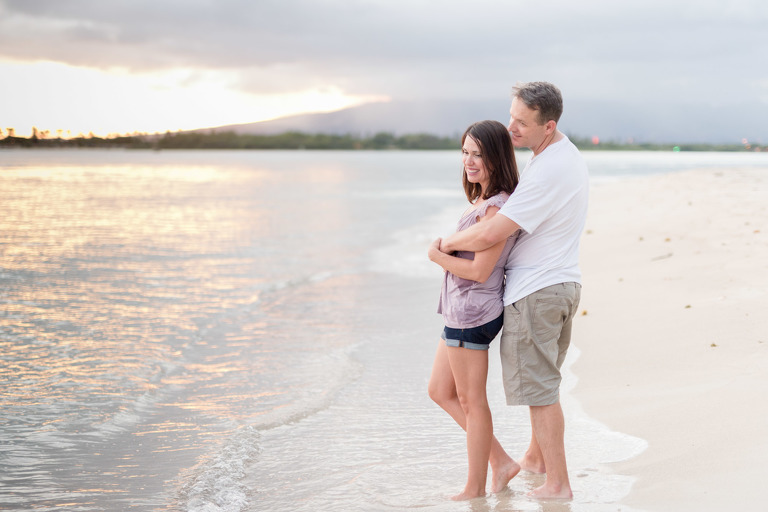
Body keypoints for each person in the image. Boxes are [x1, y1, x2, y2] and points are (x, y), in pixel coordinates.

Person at [438, 82, 589, 499]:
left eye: (521, 122)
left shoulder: (547, 171)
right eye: (511, 116)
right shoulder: (561, 156)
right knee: (543, 384)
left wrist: (444, 246)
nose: (512, 128)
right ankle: (536, 462)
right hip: (558, 284)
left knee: (538, 391)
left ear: (549, 125)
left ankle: (557, 485)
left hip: (537, 291)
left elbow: (495, 232)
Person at [427, 120, 522, 501]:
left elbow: (480, 271)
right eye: (465, 152)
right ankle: (500, 462)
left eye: (478, 153)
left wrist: (438, 255)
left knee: (471, 400)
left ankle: (476, 488)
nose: (470, 160)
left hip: (473, 314)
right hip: (459, 312)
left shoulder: (494, 209)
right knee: (439, 391)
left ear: (496, 157)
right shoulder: (484, 203)